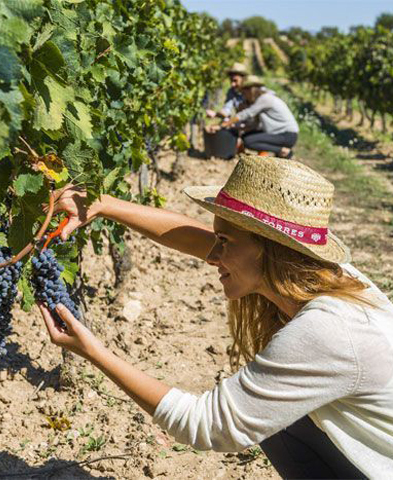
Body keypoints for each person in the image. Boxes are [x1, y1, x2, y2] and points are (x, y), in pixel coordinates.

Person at [38, 155, 393, 479]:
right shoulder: (325, 275)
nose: (213, 255)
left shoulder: (326, 330)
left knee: (262, 416)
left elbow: (206, 424)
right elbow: (199, 240)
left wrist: (95, 352)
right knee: (275, 416)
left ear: (269, 249)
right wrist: (104, 205)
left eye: (225, 241)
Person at [222, 76, 299, 159]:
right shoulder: (262, 100)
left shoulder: (265, 99)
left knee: (249, 141)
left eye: (244, 93)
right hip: (282, 134)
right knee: (246, 137)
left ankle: (283, 151)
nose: (244, 97)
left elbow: (245, 114)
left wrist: (224, 125)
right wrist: (238, 128)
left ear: (251, 90)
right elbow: (255, 125)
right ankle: (279, 151)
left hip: (287, 135)